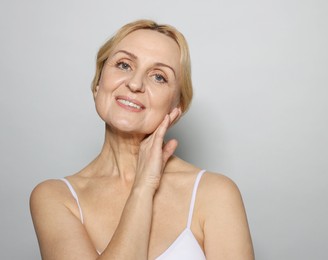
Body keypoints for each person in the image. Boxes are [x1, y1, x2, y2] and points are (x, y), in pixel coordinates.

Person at [30, 19, 254, 260]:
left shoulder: (215, 194)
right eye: (124, 65)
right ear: (98, 82)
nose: (135, 84)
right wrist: (143, 187)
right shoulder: (55, 198)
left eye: (159, 77)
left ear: (176, 105)